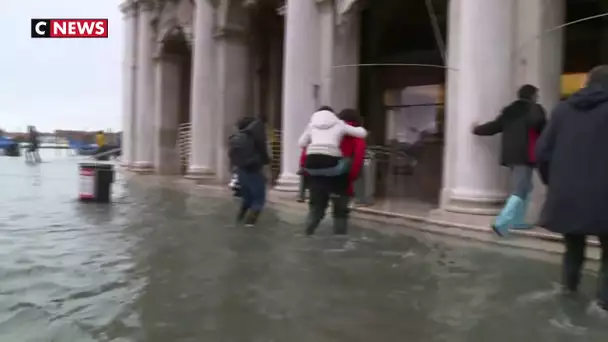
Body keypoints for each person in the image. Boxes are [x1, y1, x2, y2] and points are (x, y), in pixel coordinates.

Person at [536, 65, 608, 312]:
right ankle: (603, 305)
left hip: (567, 194)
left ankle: (568, 292)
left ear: (586, 82)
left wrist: (554, 183)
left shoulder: (562, 110)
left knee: (573, 248)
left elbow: (542, 153)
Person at [472, 84, 547, 236]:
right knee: (521, 188)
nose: (537, 98)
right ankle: (502, 222)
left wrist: (477, 129)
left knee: (526, 187)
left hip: (511, 155)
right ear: (532, 96)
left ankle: (518, 220)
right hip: (526, 154)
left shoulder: (509, 111)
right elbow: (541, 126)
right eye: (536, 95)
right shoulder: (535, 109)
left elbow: (493, 127)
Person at [299, 108, 366, 235]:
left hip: (318, 177)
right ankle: (339, 244)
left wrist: (309, 175)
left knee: (316, 210)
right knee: (340, 213)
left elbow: (305, 155)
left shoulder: (322, 130)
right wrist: (351, 179)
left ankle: (306, 234)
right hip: (342, 180)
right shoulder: (356, 136)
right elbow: (357, 161)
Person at [299, 106, 367, 176]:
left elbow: (304, 149)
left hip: (313, 168)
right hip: (338, 172)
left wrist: (302, 166)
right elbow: (357, 159)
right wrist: (352, 176)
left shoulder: (316, 130)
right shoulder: (355, 137)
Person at [228, 116, 270, 227]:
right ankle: (249, 225)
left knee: (247, 200)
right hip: (254, 170)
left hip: (241, 171)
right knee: (258, 200)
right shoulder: (254, 137)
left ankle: (239, 222)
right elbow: (263, 155)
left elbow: (231, 156)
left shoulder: (236, 138)